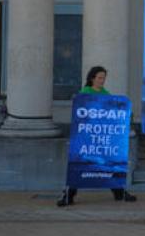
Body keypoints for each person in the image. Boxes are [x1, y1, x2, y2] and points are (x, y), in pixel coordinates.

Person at [57, 66, 137, 206]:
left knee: (109, 163)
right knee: (80, 165)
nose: (102, 80)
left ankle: (119, 192)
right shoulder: (84, 93)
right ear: (92, 78)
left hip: (102, 136)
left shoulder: (106, 93)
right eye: (100, 77)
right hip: (88, 137)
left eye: (104, 77)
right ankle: (69, 194)